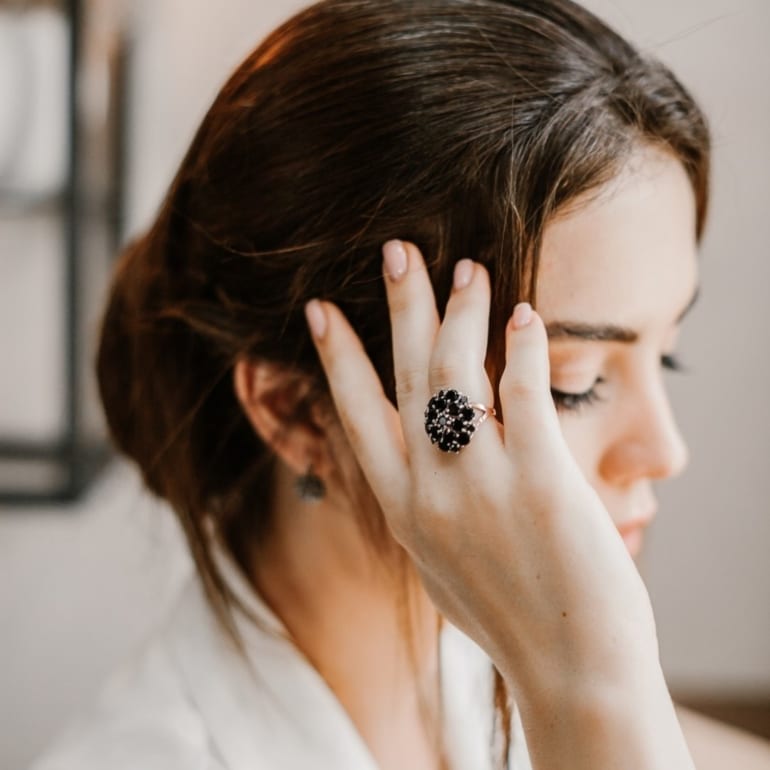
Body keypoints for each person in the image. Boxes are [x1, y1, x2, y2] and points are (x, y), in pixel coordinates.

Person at [31, 1, 770, 768]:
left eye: (667, 356)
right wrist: (585, 685)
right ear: (297, 412)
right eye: (567, 385)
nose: (664, 449)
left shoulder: (484, 655)